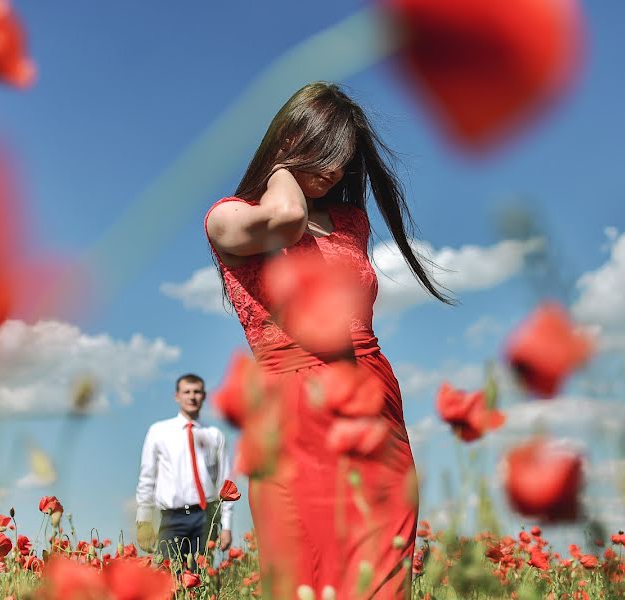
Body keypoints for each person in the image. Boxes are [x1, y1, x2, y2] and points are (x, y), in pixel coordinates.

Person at [204, 82, 452, 599]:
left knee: (382, 572)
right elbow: (287, 221)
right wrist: (279, 171)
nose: (336, 172)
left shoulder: (351, 222)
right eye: (325, 154)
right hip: (294, 406)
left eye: (345, 160)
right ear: (291, 140)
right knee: (306, 574)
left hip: (372, 398)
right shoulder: (229, 218)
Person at [135, 373, 233, 565]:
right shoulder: (159, 431)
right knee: (170, 579)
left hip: (206, 518)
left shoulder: (214, 435)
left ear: (204, 396)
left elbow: (225, 483)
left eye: (197, 392)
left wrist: (226, 525)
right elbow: (147, 477)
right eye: (186, 391)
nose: (192, 396)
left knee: (201, 581)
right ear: (177, 396)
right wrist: (144, 521)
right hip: (172, 518)